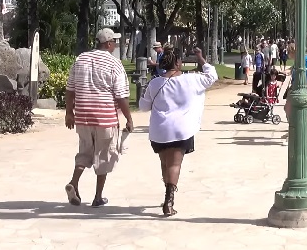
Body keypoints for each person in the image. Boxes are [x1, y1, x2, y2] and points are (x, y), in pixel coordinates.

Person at [139, 47, 217, 216]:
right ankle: (169, 200)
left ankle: (167, 193)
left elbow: (143, 106)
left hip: (159, 130)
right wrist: (200, 58)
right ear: (178, 62)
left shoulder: (155, 83)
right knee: (175, 164)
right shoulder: (191, 80)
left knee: (165, 163)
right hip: (181, 129)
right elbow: (212, 76)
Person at [64, 28, 134, 208]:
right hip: (105, 117)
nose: (116, 45)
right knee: (104, 156)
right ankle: (98, 197)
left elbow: (70, 89)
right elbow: (120, 96)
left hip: (83, 116)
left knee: (84, 152)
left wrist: (69, 112)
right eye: (115, 42)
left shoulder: (80, 59)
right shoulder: (114, 63)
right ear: (109, 44)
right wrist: (129, 118)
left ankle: (74, 182)